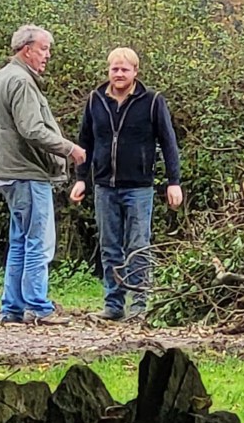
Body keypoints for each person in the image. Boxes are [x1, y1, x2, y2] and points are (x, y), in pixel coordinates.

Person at [70, 47, 183, 321]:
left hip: (139, 187)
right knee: (109, 247)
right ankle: (113, 305)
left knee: (138, 246)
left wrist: (173, 182)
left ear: (135, 72)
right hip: (104, 186)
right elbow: (85, 141)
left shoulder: (153, 101)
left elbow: (168, 143)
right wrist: (81, 179)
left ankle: (140, 306)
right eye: (114, 69)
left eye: (124, 69)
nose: (118, 74)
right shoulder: (95, 100)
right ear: (108, 71)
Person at [0, 24, 86, 325]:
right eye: (44, 49)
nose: (48, 55)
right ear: (26, 49)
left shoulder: (3, 76)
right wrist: (70, 149)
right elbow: (32, 129)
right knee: (38, 241)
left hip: (8, 172)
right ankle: (38, 307)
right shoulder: (22, 81)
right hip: (28, 172)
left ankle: (12, 308)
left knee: (20, 240)